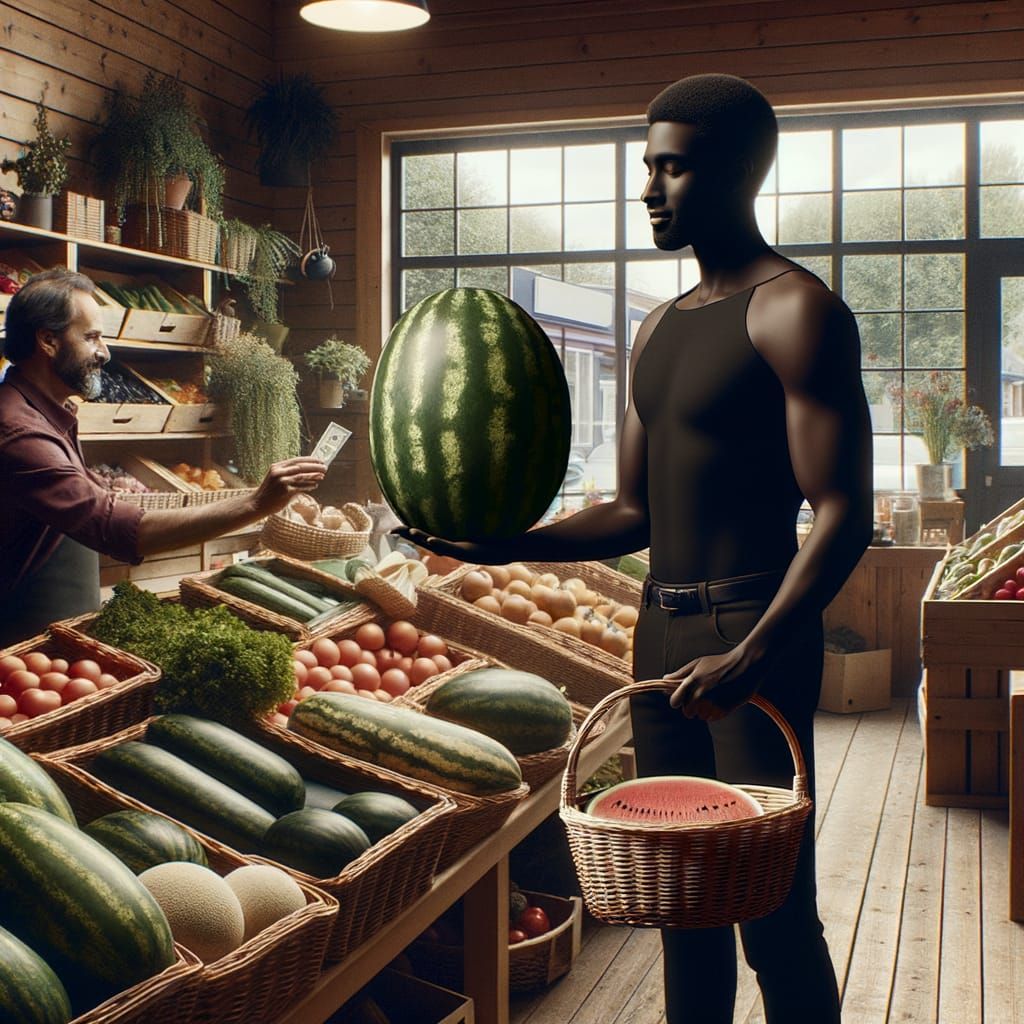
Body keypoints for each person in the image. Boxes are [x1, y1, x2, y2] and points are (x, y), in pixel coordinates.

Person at [401, 73, 873, 1023]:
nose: (649, 189)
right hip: (656, 637)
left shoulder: (796, 311)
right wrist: (503, 546)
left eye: (673, 168)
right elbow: (631, 513)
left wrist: (755, 652)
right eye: (648, 167)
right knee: (680, 905)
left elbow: (841, 510)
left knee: (775, 913)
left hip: (752, 631)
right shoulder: (656, 327)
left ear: (739, 173)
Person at [0, 268, 327, 647]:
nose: (104, 352)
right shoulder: (20, 432)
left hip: (53, 630)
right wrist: (255, 503)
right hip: (19, 638)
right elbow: (114, 528)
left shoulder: (46, 411)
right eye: (91, 337)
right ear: (48, 341)